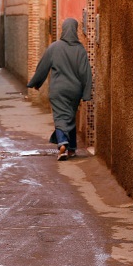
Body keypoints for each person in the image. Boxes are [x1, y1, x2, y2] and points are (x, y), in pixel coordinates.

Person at [27, 18, 92, 161]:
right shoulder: (80, 49)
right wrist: (86, 93)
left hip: (58, 90)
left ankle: (62, 144)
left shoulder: (54, 47)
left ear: (63, 30)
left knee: (61, 117)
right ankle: (72, 148)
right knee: (70, 116)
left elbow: (43, 66)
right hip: (75, 91)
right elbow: (86, 73)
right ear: (75, 30)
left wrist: (35, 83)